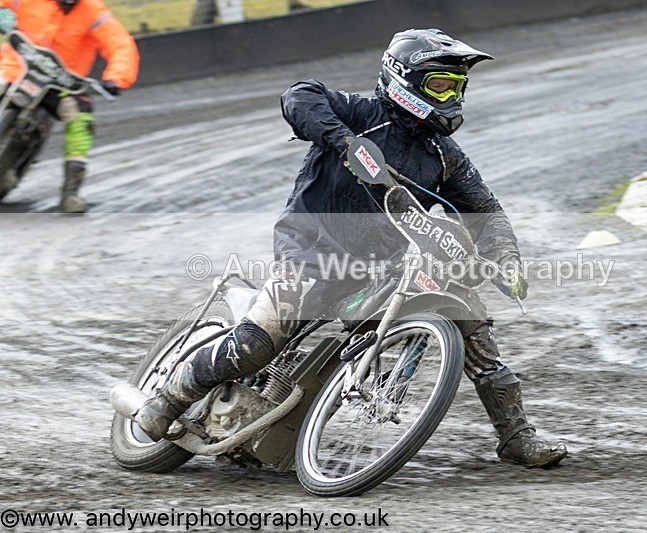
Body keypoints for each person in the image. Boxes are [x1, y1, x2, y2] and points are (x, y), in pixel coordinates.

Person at [136, 28, 568, 468]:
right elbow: (299, 95)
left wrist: (507, 260)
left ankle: (516, 435)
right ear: (405, 79)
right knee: (259, 342)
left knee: (470, 321)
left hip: (381, 268)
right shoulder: (361, 114)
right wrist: (344, 143)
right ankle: (169, 400)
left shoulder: (443, 154)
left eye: (458, 87)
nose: (451, 95)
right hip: (310, 248)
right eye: (440, 84)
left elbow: (486, 211)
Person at [0, 0, 139, 213]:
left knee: (81, 117)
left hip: (61, 85)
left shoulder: (93, 11)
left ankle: (71, 193)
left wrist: (116, 78)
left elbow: (120, 44)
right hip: (15, 70)